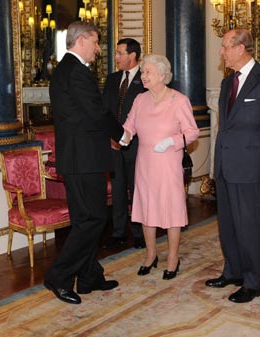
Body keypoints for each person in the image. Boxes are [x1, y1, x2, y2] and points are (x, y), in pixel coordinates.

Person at [44, 21, 131, 305]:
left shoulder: (66, 69)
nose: (97, 48)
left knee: (86, 219)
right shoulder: (76, 71)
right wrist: (122, 134)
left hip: (80, 158)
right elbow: (97, 112)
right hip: (83, 160)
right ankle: (59, 276)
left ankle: (89, 277)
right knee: (93, 219)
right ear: (81, 41)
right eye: (95, 42)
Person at [205, 29, 260, 303]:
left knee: (248, 224)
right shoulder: (228, 83)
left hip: (247, 165)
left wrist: (254, 150)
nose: (221, 52)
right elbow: (225, 126)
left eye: (225, 46)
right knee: (227, 223)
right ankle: (233, 272)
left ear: (241, 48)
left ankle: (252, 282)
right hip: (225, 164)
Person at [123, 54, 199, 280]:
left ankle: (173, 257)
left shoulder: (179, 100)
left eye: (148, 72)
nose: (143, 76)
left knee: (171, 211)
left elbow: (192, 132)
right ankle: (151, 255)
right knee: (147, 209)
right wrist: (123, 137)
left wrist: (172, 142)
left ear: (163, 75)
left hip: (168, 163)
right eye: (143, 72)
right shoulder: (140, 100)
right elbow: (129, 126)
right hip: (145, 162)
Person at [102, 38, 146, 250]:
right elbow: (105, 112)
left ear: (133, 56)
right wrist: (112, 136)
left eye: (120, 53)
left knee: (137, 189)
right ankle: (119, 232)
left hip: (137, 145)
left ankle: (138, 233)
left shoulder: (146, 79)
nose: (116, 57)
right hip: (113, 145)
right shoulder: (112, 79)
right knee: (118, 189)